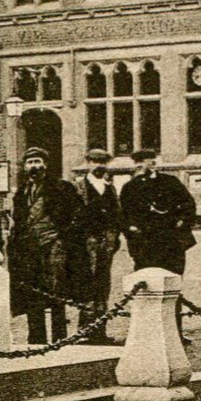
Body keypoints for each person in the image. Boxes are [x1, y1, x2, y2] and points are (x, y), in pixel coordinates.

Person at [8, 147, 79, 344]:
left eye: (38, 161)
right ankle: (36, 339)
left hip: (55, 245)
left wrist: (63, 238)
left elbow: (76, 216)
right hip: (29, 248)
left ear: (45, 165)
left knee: (56, 292)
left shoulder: (61, 187)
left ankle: (60, 338)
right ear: (24, 167)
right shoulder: (21, 193)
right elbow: (18, 220)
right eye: (30, 162)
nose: (34, 166)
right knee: (33, 292)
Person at [70, 148, 122, 345]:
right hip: (87, 242)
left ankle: (100, 330)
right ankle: (84, 330)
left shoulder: (109, 187)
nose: (99, 165)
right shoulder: (79, 187)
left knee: (103, 285)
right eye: (95, 161)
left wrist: (114, 237)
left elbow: (116, 214)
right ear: (88, 163)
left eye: (103, 162)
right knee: (86, 284)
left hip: (106, 242)